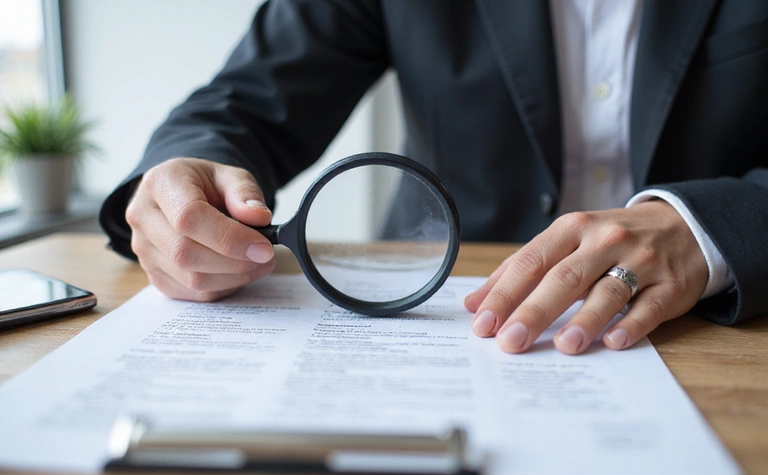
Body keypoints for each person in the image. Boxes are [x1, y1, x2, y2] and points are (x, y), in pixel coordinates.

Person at [99, 0, 768, 356]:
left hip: (712, 320)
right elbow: (244, 101)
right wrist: (177, 177)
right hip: (436, 312)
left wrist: (712, 227)